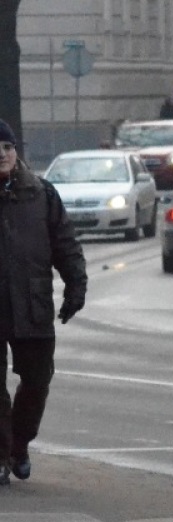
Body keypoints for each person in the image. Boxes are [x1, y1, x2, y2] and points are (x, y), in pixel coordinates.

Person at [0, 119, 88, 486]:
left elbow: (65, 244)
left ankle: (18, 446)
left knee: (37, 383)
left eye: (6, 147)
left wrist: (75, 286)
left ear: (15, 151)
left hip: (33, 304)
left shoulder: (41, 194)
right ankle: (0, 456)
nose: (1, 154)